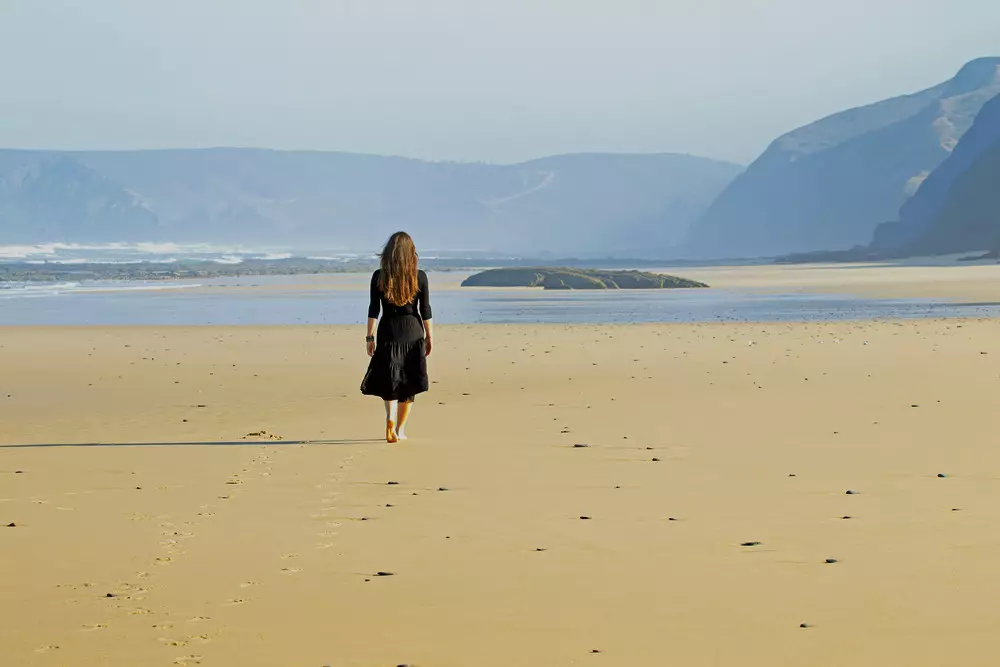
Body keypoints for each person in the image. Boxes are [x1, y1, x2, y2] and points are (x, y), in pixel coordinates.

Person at [360, 231, 433, 442]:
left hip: (388, 331)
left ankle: (389, 419)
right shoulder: (420, 276)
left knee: (390, 380)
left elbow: (374, 309)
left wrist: (369, 337)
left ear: (388, 253)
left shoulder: (378, 276)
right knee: (409, 383)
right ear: (411, 253)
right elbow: (425, 310)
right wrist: (430, 336)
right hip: (413, 331)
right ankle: (400, 430)